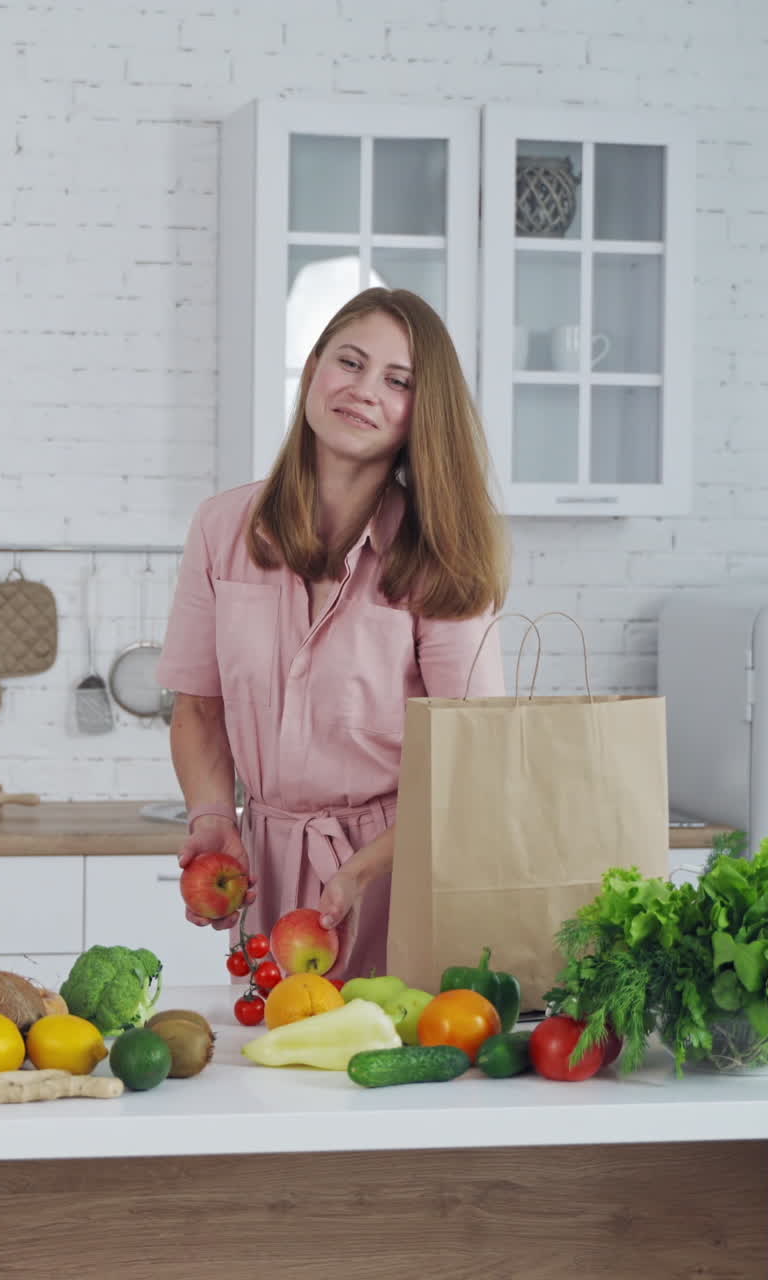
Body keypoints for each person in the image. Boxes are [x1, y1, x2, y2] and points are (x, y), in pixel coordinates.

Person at [156, 287, 510, 981]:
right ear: (314, 367)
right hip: (269, 870)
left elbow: (473, 763)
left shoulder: (442, 554)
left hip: (402, 870)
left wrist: (358, 875)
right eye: (349, 361)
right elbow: (198, 706)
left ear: (419, 415)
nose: (363, 391)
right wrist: (210, 820)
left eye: (397, 381)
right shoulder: (221, 528)